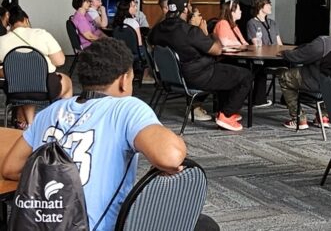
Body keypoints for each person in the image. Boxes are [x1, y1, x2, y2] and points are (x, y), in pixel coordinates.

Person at [0, 38, 219, 230]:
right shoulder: (126, 108)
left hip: (42, 223)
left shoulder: (49, 112)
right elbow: (170, 157)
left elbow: (10, 168)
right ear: (124, 80)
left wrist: (62, 178)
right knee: (205, 225)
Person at [148, 0, 253, 131]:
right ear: (185, 9)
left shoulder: (157, 30)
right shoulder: (190, 31)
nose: (192, 8)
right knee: (246, 75)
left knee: (228, 71)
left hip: (174, 78)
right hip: (199, 76)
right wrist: (204, 31)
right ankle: (226, 115)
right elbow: (217, 50)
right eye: (190, 6)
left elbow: (151, 42)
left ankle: (224, 109)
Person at [0, 5, 74, 129]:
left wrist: (9, 71)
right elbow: (60, 61)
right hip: (45, 88)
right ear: (26, 19)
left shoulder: (2, 40)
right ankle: (61, 122)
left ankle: (29, 124)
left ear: (9, 23)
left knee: (26, 87)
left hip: (16, 90)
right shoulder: (41, 34)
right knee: (67, 82)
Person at [279, 5, 331, 129]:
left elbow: (298, 56)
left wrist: (284, 53)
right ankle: (324, 116)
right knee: (330, 79)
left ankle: (299, 118)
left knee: (285, 76)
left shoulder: (323, 42)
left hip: (316, 82)